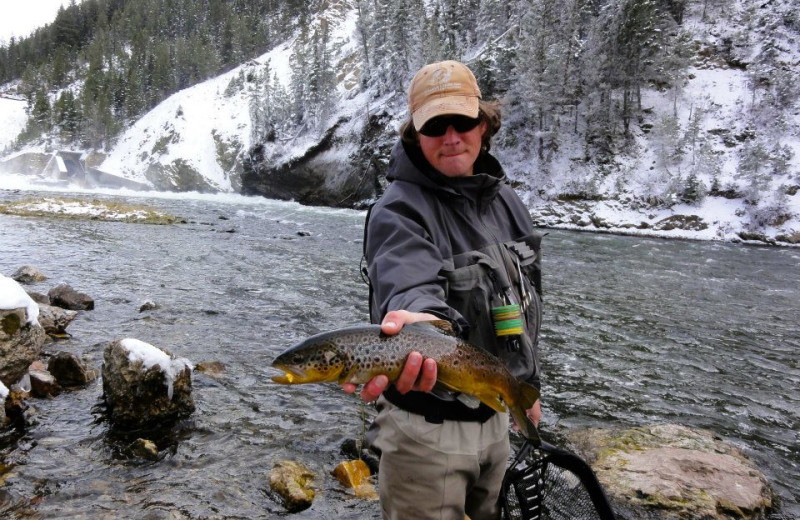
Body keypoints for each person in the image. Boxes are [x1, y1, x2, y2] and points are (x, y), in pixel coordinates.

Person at [343, 60, 543, 520]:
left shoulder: (508, 203)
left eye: (463, 121)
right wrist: (421, 322)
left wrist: (523, 390)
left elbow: (524, 304)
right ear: (415, 135)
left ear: (484, 125)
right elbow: (407, 282)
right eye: (435, 125)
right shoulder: (397, 212)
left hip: (496, 416)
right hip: (425, 436)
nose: (452, 136)